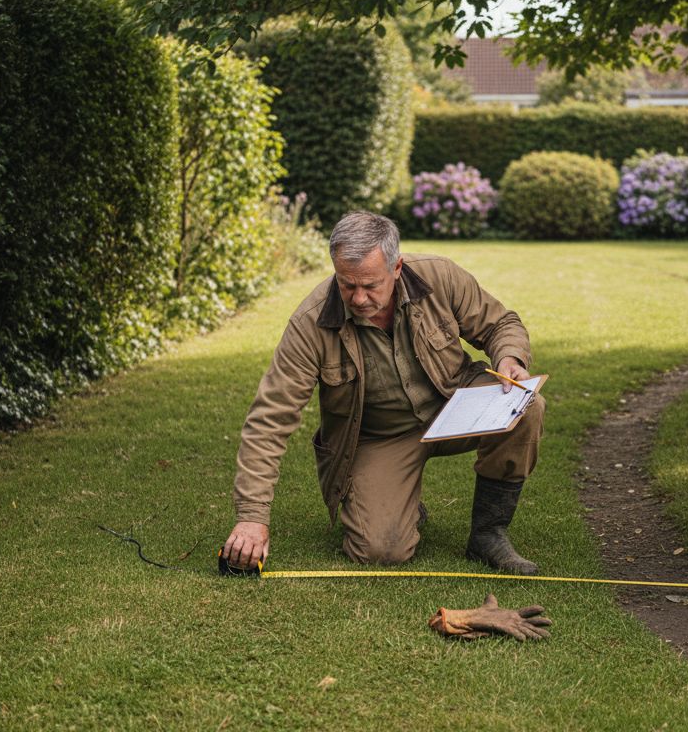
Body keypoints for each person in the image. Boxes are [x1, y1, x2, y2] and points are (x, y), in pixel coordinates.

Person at [220, 211, 545, 573]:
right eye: (347, 285)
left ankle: (488, 534)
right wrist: (252, 517)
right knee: (380, 551)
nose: (358, 298)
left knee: (526, 405)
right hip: (380, 436)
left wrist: (509, 357)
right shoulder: (310, 323)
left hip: (455, 404)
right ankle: (400, 505)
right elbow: (269, 419)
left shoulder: (440, 275)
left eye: (371, 285)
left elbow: (501, 323)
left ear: (396, 267)